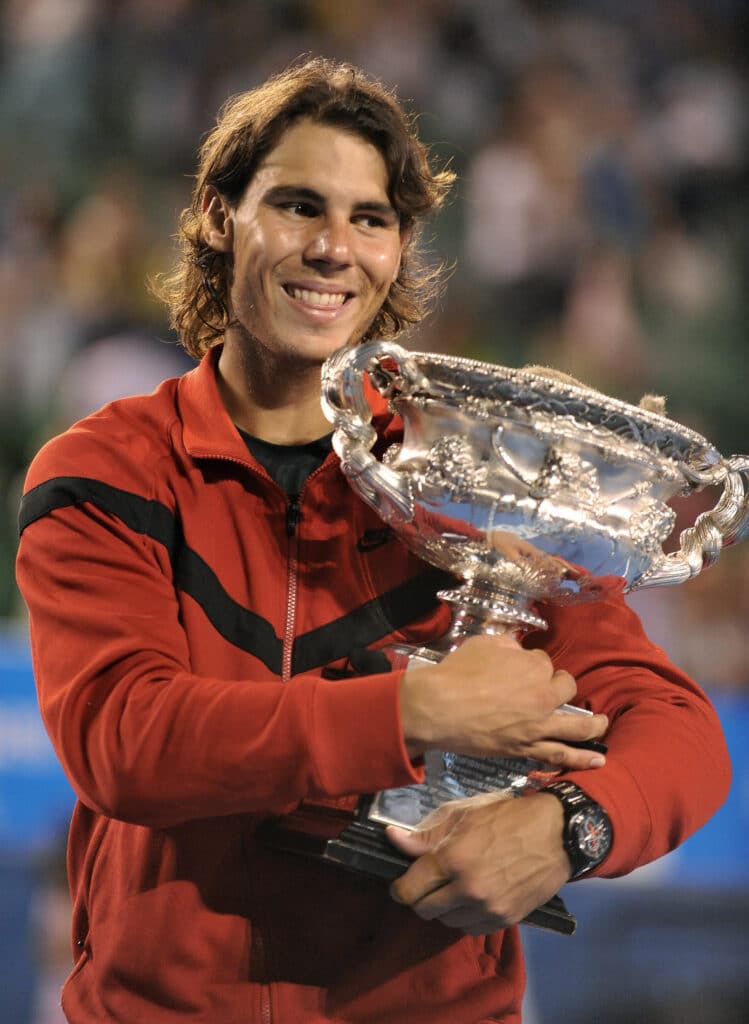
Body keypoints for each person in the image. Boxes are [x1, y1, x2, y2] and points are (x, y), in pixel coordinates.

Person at [16, 57, 730, 1024]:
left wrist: (567, 829)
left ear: (398, 250)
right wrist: (414, 711)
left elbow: (679, 731)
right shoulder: (111, 469)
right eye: (298, 206)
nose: (333, 249)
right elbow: (126, 740)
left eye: (371, 219)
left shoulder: (471, 486)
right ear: (222, 217)